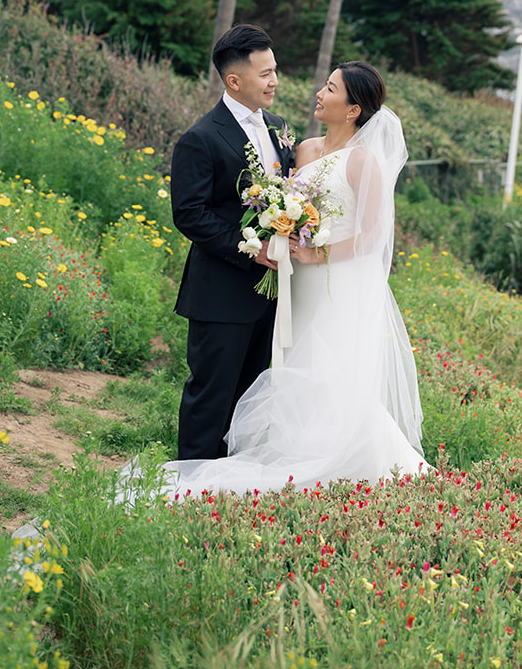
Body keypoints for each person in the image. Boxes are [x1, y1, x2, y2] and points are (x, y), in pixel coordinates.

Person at [152, 59, 427, 499]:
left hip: (334, 283)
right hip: (292, 284)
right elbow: (274, 198)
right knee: (292, 367)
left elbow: (373, 236)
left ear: (353, 109)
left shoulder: (362, 162)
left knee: (329, 370)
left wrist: (314, 254)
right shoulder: (301, 148)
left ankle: (333, 456)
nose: (319, 92)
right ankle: (235, 464)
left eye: (331, 88)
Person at [168, 24, 295, 461]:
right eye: (265, 73)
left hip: (273, 295)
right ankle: (190, 487)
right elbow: (190, 213)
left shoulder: (279, 129)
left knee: (253, 398)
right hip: (221, 292)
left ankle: (232, 488)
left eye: (275, 70)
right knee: (211, 396)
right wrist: (251, 250)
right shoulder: (200, 138)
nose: (274, 80)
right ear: (234, 80)